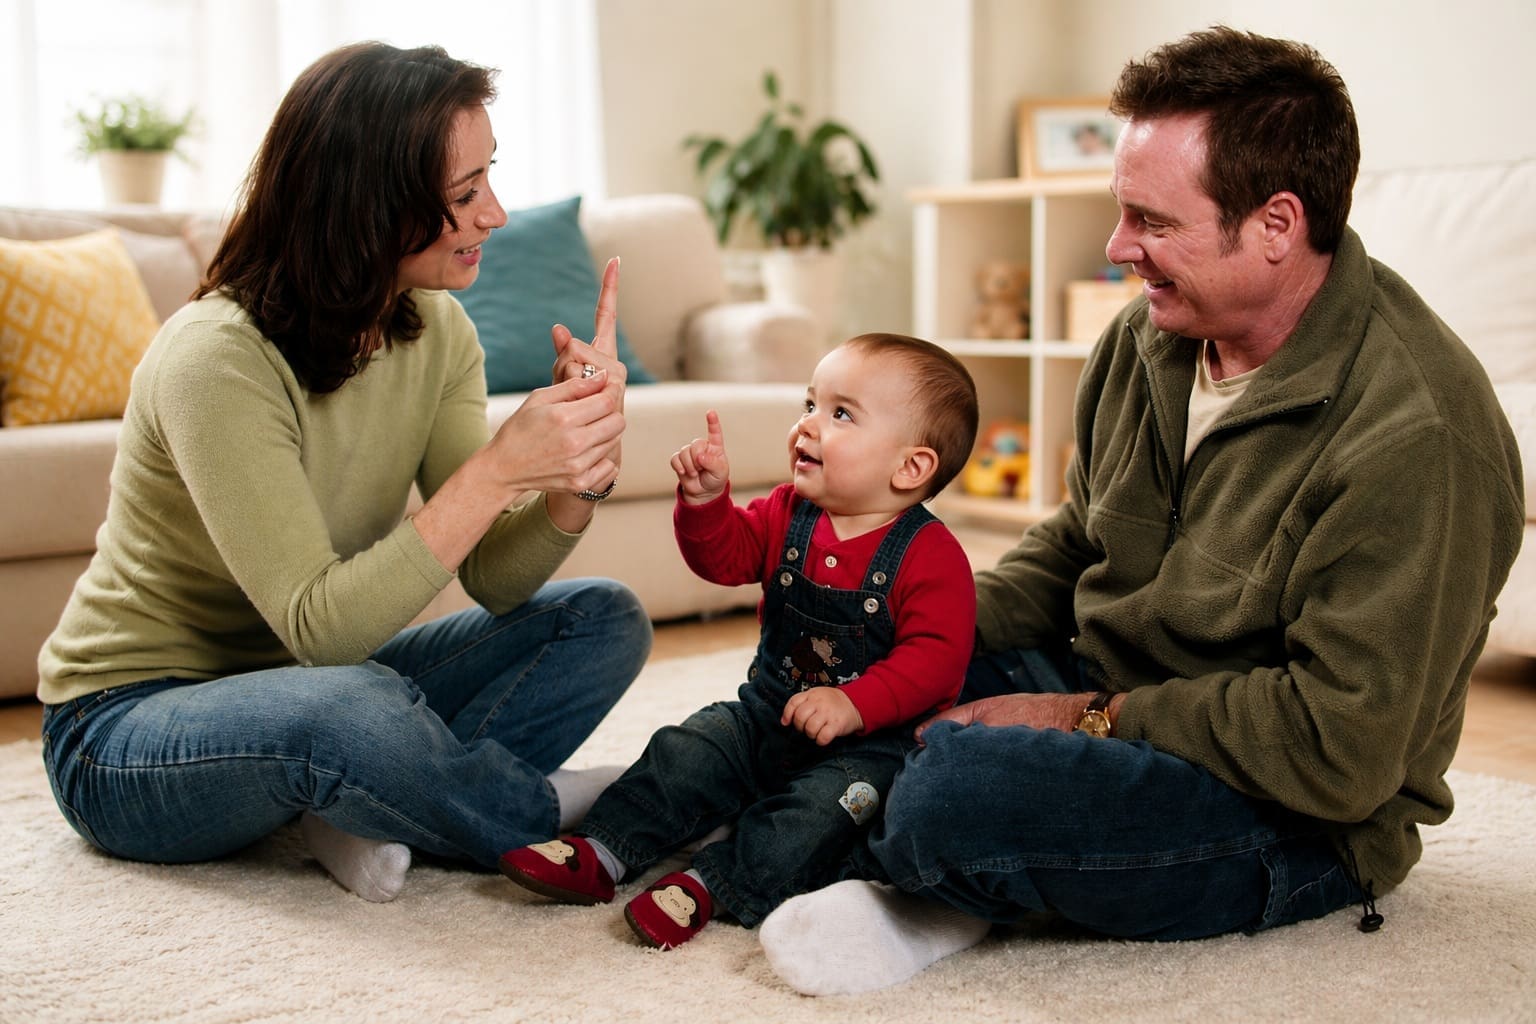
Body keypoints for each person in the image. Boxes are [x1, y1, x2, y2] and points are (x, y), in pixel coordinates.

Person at [757, 26, 1525, 995]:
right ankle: (677, 802)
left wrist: (1083, 716)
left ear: (1277, 224)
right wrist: (904, 617)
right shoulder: (1152, 337)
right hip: (1115, 686)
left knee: (959, 787)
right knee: (850, 649)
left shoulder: (1417, 436)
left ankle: (921, 887)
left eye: (1152, 223)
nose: (1120, 250)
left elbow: (1341, 747)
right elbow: (1080, 542)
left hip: (1290, 806)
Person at [36, 42, 652, 904]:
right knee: (353, 705)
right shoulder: (217, 358)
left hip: (298, 690)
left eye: (489, 180)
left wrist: (572, 474)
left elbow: (495, 581)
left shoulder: (436, 330)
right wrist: (498, 467)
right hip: (123, 730)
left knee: (600, 618)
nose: (497, 214)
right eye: (465, 194)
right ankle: (577, 813)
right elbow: (321, 634)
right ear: (370, 205)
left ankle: (364, 804)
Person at [499, 332, 980, 949]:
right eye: (809, 404)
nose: (807, 426)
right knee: (686, 748)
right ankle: (603, 849)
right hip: (766, 714)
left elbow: (936, 662)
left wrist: (855, 702)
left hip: (868, 750)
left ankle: (709, 884)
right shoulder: (787, 510)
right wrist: (706, 504)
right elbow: (724, 560)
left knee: (814, 820)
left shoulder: (932, 556)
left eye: (840, 414)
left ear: (910, 466)